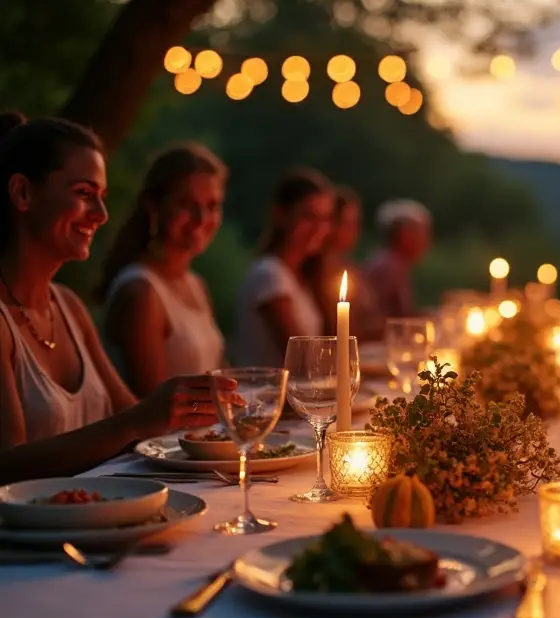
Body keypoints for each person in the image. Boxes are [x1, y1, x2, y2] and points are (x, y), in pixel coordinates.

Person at [0, 117, 227, 483]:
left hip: (99, 518)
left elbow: (139, 421)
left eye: (102, 198)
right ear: (23, 193)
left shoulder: (68, 306)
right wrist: (139, 421)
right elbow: (6, 467)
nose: (101, 216)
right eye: (84, 193)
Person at [97, 144, 227, 397]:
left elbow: (223, 376)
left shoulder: (194, 284)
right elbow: (151, 406)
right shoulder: (140, 292)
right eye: (187, 204)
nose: (201, 218)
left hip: (205, 433)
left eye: (212, 205)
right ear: (153, 205)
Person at [233, 168, 332, 366]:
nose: (318, 228)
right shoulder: (269, 275)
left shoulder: (299, 275)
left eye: (324, 218)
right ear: (281, 215)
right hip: (269, 395)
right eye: (308, 216)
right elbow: (302, 358)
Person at [302, 185, 384, 341]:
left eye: (357, 223)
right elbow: (344, 329)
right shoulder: (321, 271)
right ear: (332, 225)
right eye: (348, 223)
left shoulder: (347, 265)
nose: (355, 231)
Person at [364, 199, 432, 319]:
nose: (427, 242)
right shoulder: (388, 267)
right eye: (423, 234)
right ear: (405, 235)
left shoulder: (394, 263)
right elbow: (390, 321)